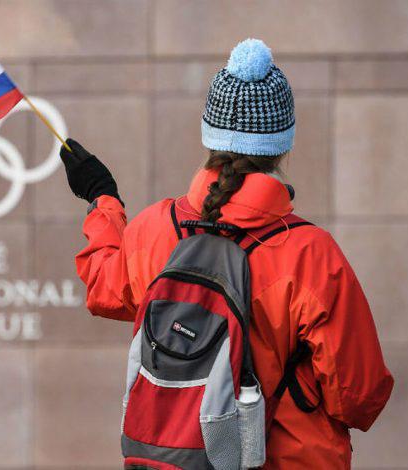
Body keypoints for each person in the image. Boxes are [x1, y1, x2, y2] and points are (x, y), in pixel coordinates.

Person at [59, 38, 394, 469]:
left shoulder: (157, 227)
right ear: (282, 145)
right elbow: (358, 396)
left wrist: (103, 200)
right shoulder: (310, 253)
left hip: (176, 457)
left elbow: (104, 288)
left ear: (209, 136)